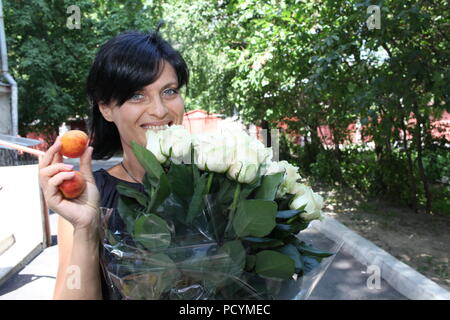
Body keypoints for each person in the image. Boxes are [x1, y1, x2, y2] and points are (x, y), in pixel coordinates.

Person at [38, 29, 189, 300]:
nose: (159, 110)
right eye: (137, 95)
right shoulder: (90, 196)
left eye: (169, 91)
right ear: (106, 108)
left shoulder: (219, 185)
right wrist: (86, 228)